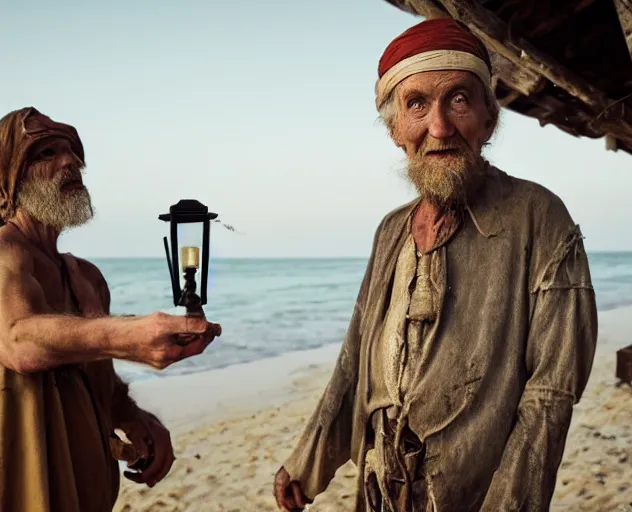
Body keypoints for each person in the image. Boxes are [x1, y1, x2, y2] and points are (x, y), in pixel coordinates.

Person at [274, 18, 598, 512]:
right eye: (417, 104)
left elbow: (551, 393)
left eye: (460, 100)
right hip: (382, 488)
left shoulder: (540, 216)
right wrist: (307, 462)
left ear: (489, 120)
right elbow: (356, 354)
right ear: (395, 129)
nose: (439, 127)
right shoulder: (391, 230)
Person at [0, 107, 222, 511]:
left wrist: (135, 418)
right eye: (46, 154)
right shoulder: (5, 252)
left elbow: (98, 376)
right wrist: (127, 335)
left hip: (87, 484)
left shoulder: (85, 277)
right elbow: (18, 340)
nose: (69, 163)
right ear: (11, 177)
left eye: (73, 154)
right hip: (18, 475)